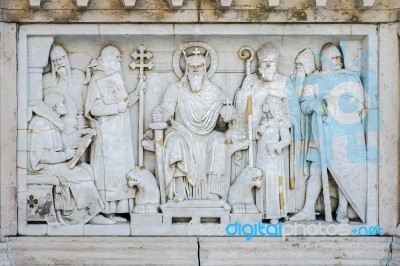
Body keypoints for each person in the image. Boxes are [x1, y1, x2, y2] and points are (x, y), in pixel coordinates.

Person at [290, 42, 367, 223]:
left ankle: (342, 210)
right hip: (319, 134)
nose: (338, 61)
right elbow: (304, 104)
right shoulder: (313, 79)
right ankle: (308, 209)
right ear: (324, 60)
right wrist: (316, 104)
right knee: (316, 171)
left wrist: (332, 104)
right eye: (333, 58)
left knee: (343, 171)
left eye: (339, 57)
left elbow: (358, 105)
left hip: (343, 134)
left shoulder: (349, 78)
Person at [152, 48, 236, 202]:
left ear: (205, 70)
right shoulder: (176, 89)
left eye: (200, 67)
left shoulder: (215, 91)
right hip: (181, 132)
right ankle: (179, 191)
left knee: (219, 140)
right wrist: (160, 113)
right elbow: (166, 112)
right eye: (192, 67)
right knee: (174, 141)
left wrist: (226, 114)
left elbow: (221, 127)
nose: (196, 71)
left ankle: (213, 192)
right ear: (186, 70)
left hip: (207, 135)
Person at [28, 92, 115, 225]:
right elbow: (41, 155)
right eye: (62, 103)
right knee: (78, 174)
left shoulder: (51, 122)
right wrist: (65, 155)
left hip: (54, 163)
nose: (65, 105)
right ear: (55, 107)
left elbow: (62, 141)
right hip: (43, 167)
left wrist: (80, 134)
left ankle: (91, 211)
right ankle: (88, 215)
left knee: (87, 168)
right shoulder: (41, 124)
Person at [233, 43, 300, 213]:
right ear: (259, 64)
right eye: (265, 62)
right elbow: (241, 108)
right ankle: (258, 207)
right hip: (254, 135)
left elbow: (292, 112)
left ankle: (276, 210)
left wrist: (280, 123)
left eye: (272, 62)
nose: (268, 66)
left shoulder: (285, 82)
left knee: (273, 177)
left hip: (276, 141)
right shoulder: (252, 80)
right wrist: (244, 94)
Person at [84, 45, 139, 221]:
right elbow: (94, 108)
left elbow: (123, 102)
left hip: (120, 134)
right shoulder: (98, 79)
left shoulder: (114, 78)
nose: (119, 61)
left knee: (120, 170)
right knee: (108, 172)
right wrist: (117, 107)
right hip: (107, 135)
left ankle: (119, 208)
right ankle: (106, 211)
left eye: (119, 58)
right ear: (106, 58)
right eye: (116, 57)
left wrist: (137, 93)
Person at [43, 44, 88, 148]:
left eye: (61, 59)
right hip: (58, 126)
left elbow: (84, 102)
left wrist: (66, 79)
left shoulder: (79, 76)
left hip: (78, 123)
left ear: (66, 58)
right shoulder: (47, 80)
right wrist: (61, 80)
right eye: (55, 61)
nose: (59, 63)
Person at [256, 95, 291, 223]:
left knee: (273, 185)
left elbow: (287, 139)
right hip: (261, 157)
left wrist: (275, 146)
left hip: (273, 158)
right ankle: (262, 211)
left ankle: (274, 213)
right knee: (261, 183)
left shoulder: (280, 121)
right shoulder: (264, 121)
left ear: (272, 106)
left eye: (265, 103)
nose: (263, 105)